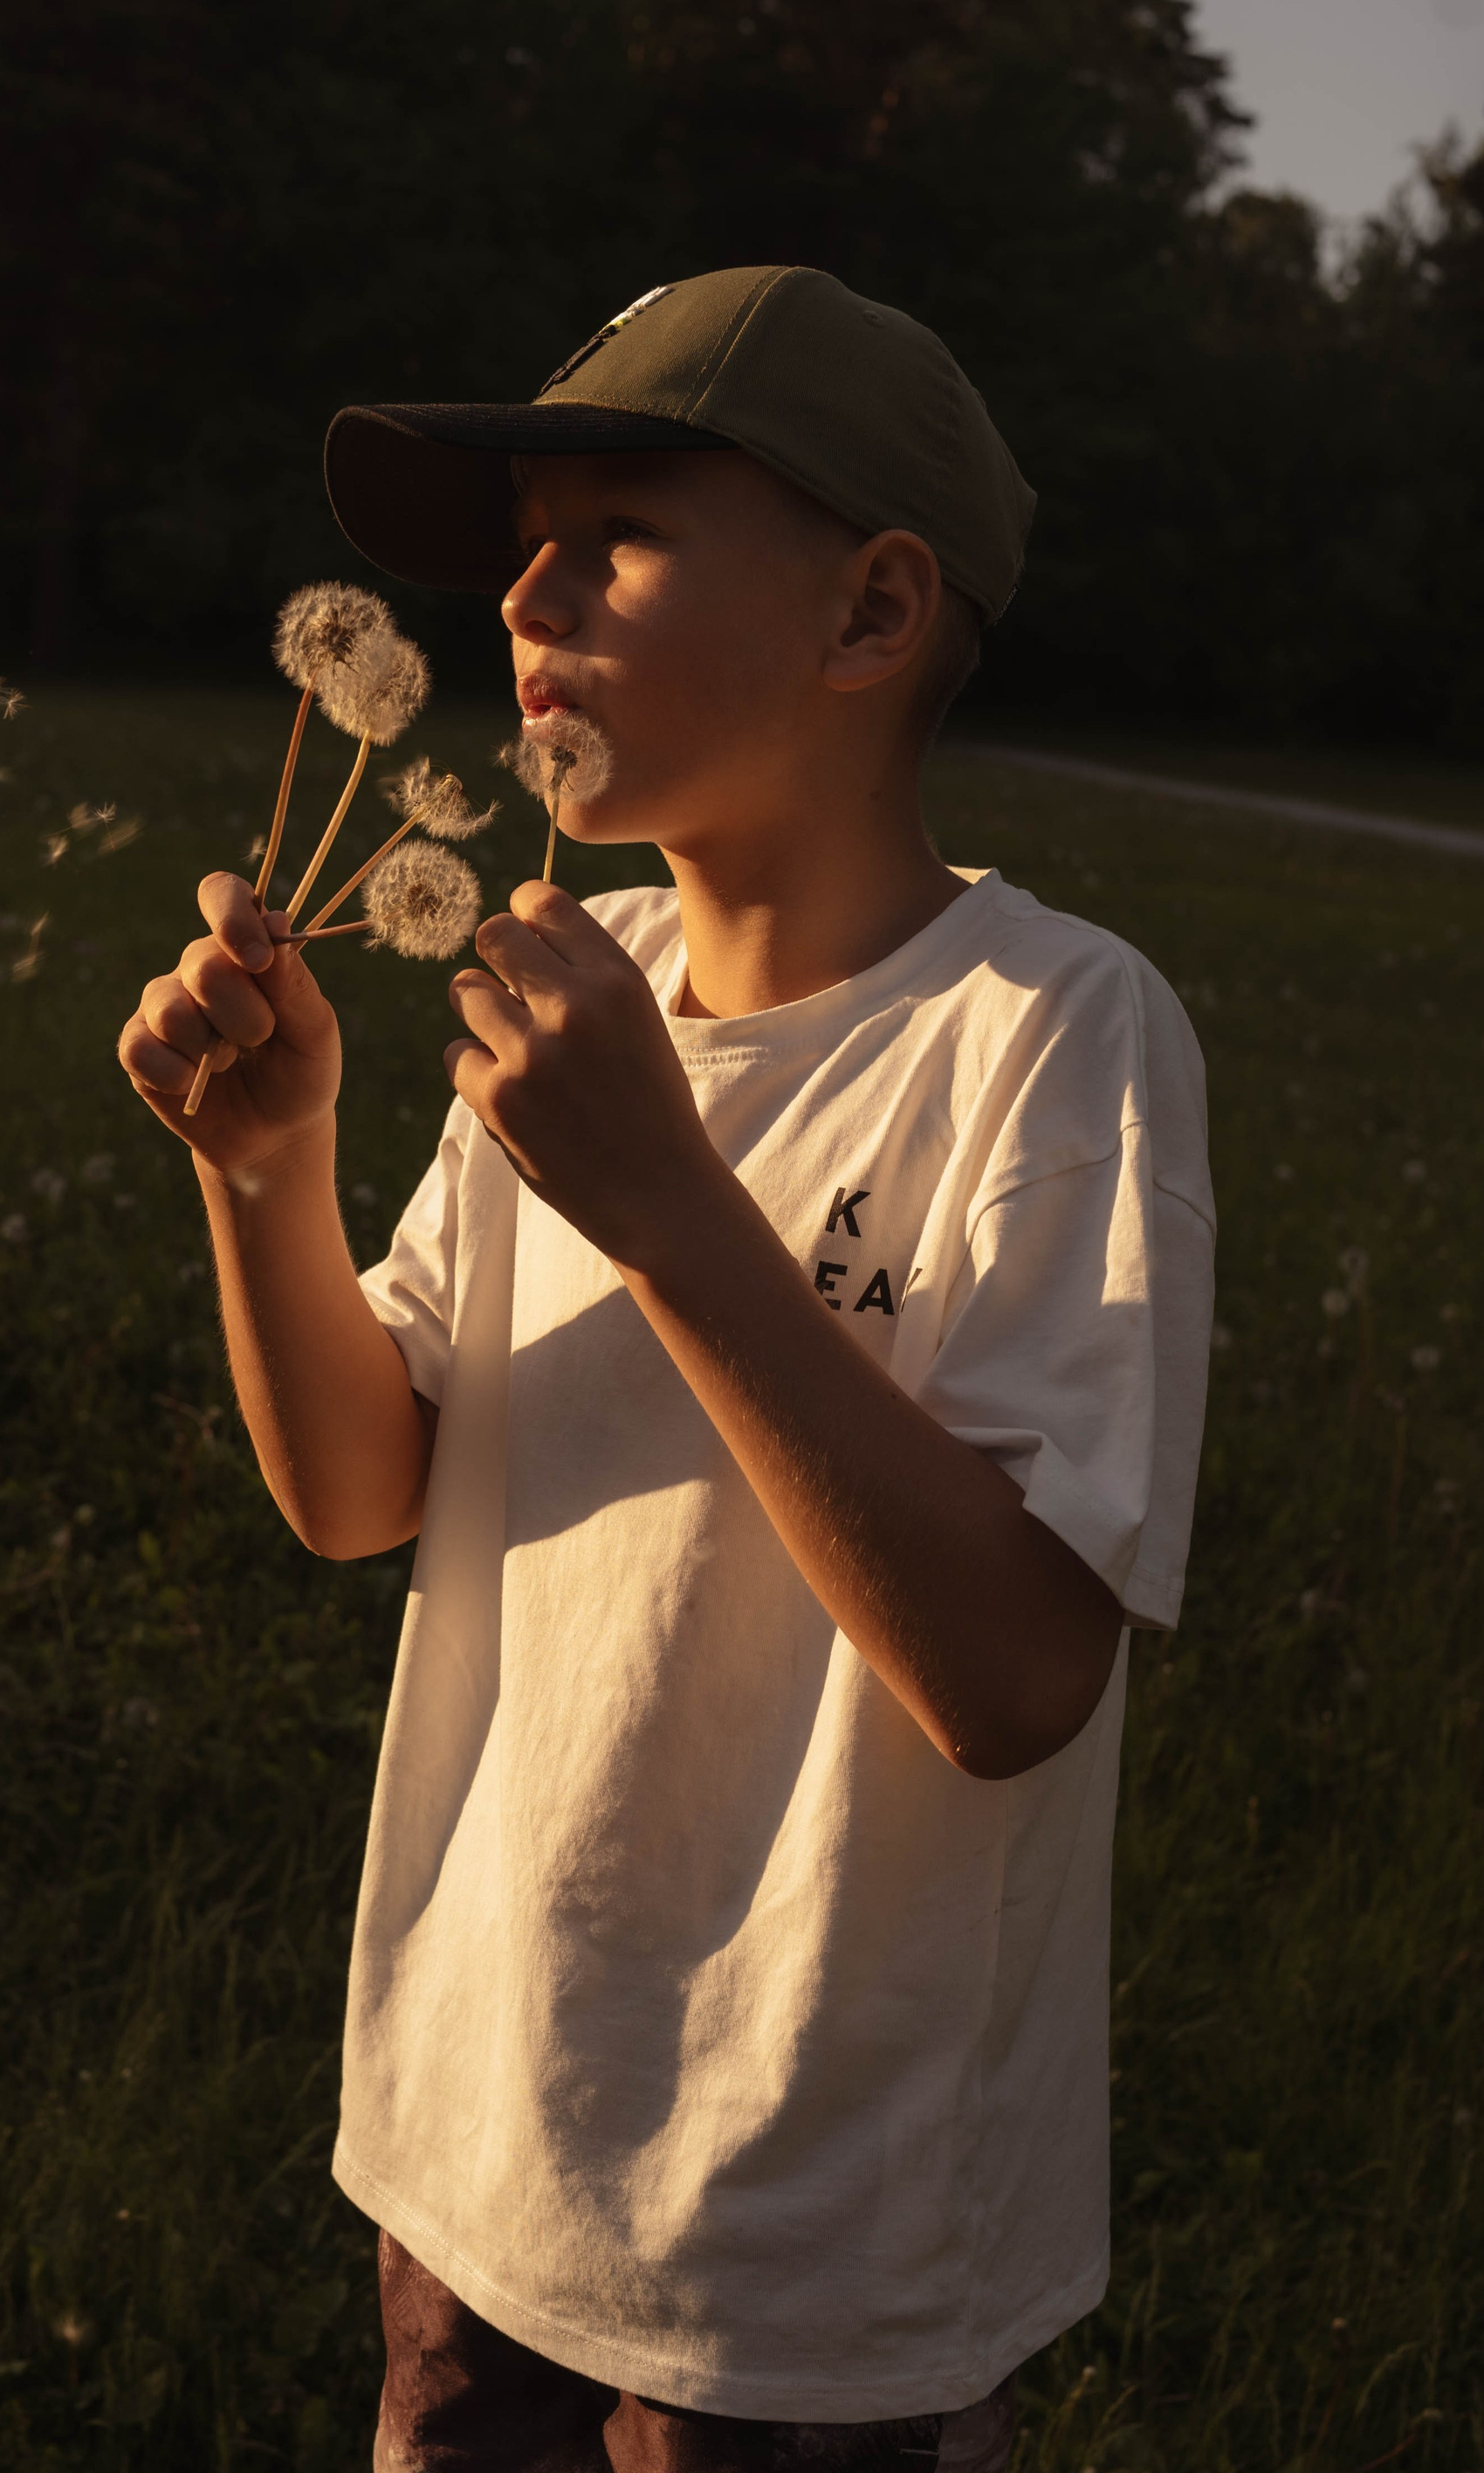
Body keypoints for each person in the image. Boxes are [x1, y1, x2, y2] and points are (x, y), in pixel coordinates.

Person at [118, 265, 1214, 2470]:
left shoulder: (1048, 1036)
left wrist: (674, 1212)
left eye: (614, 531)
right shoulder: (572, 988)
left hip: (808, 2234)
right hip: (484, 2117)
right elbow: (362, 1492)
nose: (520, 585)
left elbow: (1009, 1676)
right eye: (522, 536)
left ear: (869, 614)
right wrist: (269, 1169)